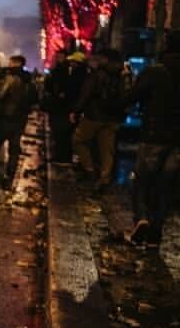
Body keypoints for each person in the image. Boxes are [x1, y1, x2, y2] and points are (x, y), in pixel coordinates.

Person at [124, 35, 180, 248]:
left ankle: (142, 218)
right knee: (166, 185)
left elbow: (132, 97)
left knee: (142, 180)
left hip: (154, 135)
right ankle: (156, 235)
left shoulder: (155, 71)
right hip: (177, 141)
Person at [71, 48, 126, 189]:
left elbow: (86, 94)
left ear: (106, 59)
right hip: (114, 117)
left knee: (78, 140)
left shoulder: (97, 74)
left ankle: (90, 170)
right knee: (107, 149)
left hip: (95, 115)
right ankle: (104, 178)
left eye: (99, 58)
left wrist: (76, 111)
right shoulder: (123, 74)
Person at [0, 54, 38, 188]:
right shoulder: (30, 80)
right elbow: (35, 100)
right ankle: (10, 178)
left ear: (14, 63)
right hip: (20, 119)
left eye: (10, 62)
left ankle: (0, 174)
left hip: (5, 118)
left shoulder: (10, 78)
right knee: (14, 149)